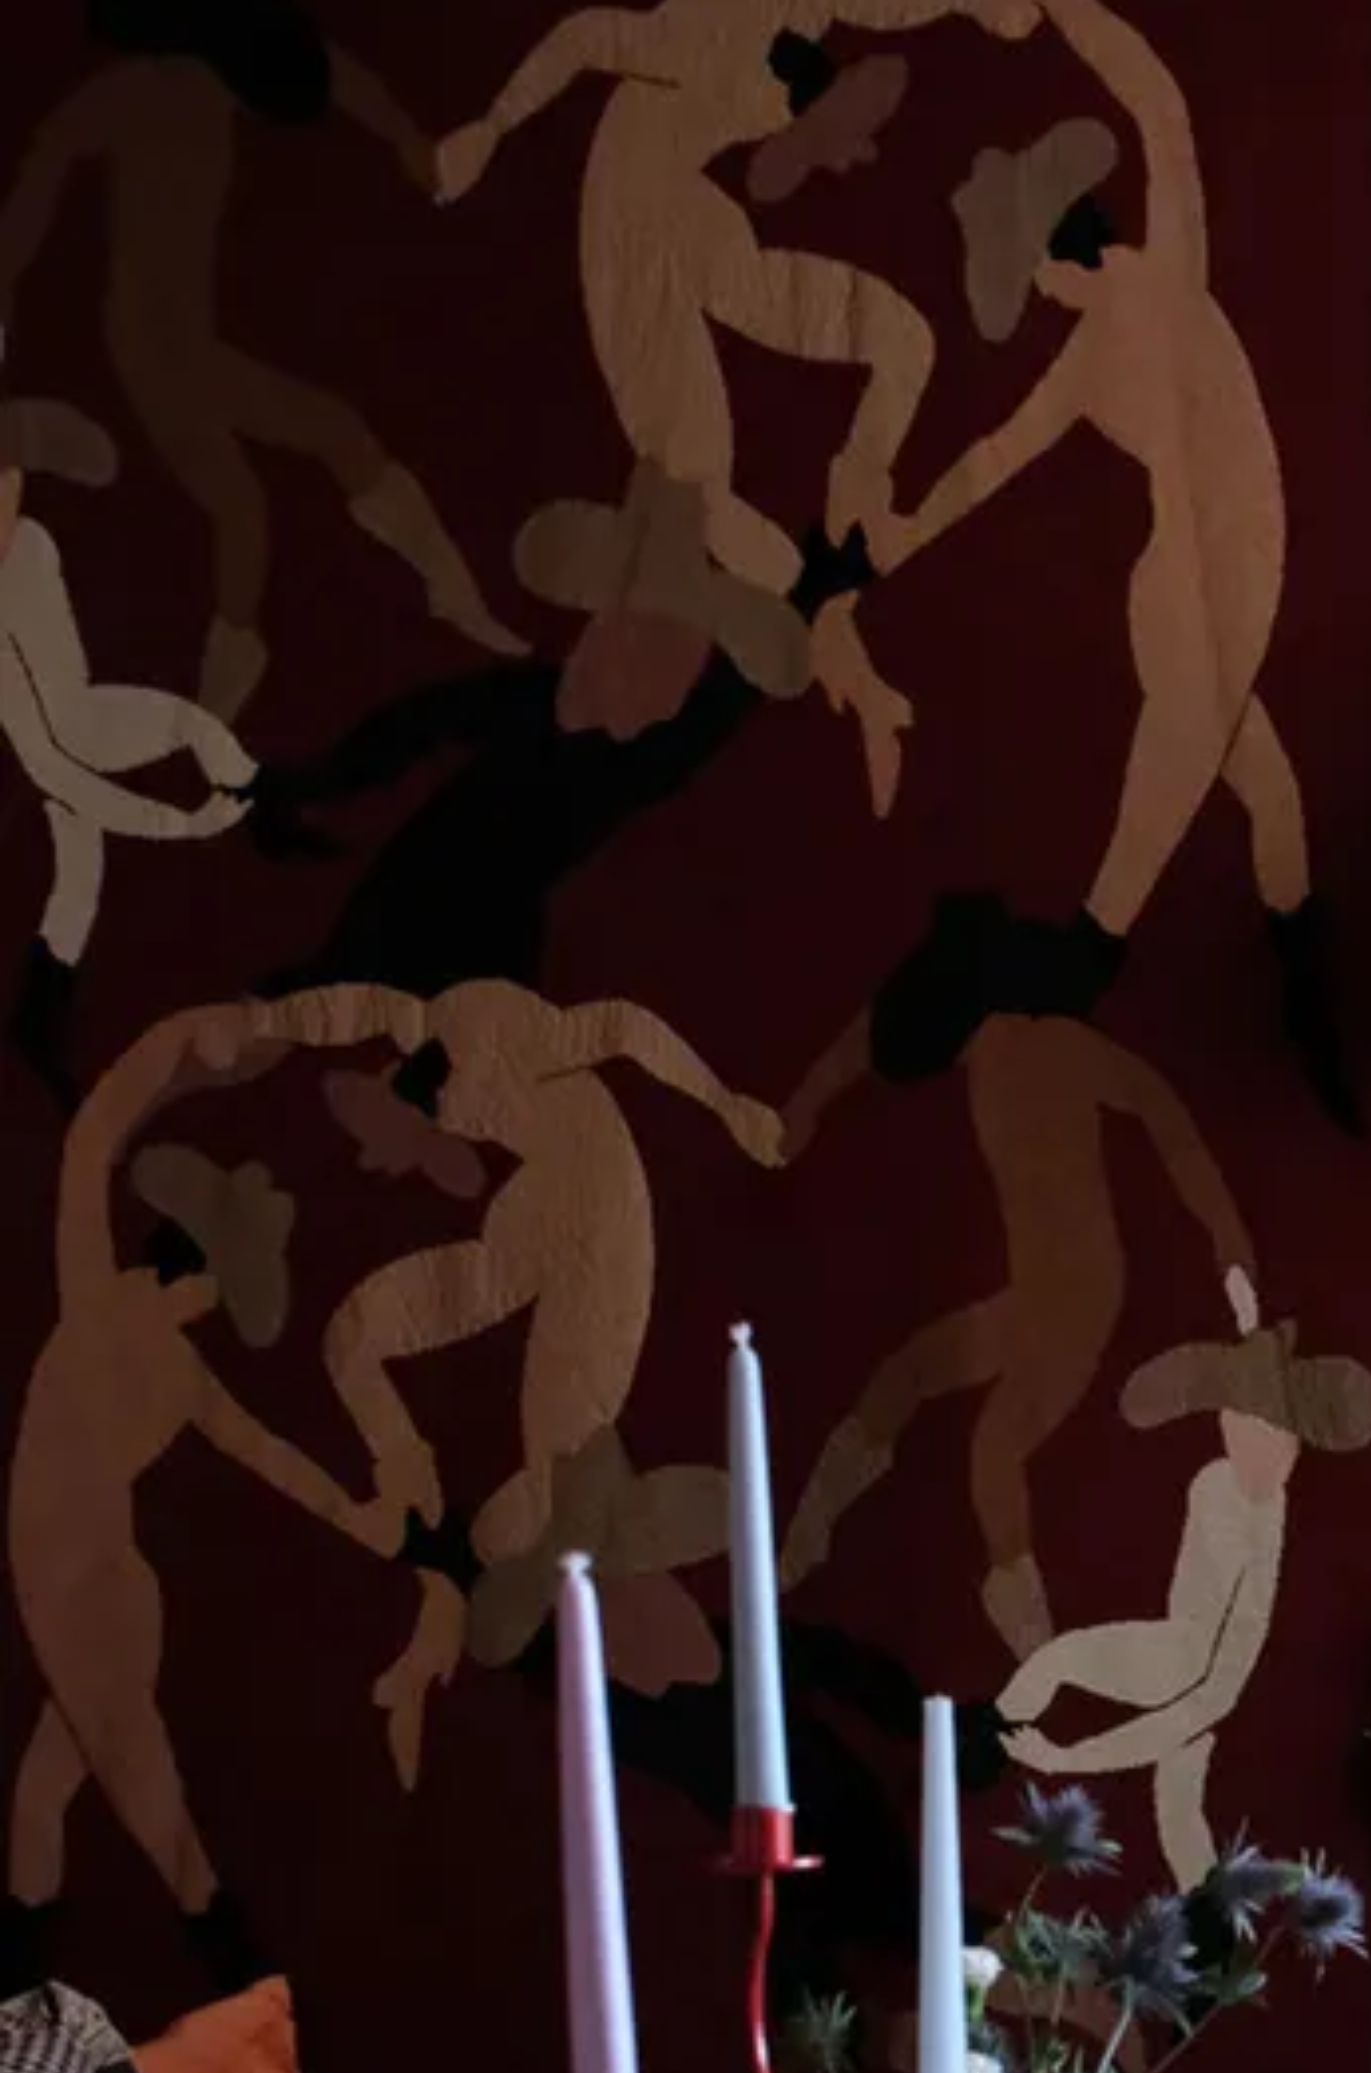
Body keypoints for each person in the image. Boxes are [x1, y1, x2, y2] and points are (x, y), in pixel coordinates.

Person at [866, 1, 1355, 1124]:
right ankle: (977, 951)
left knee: (1273, 813)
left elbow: (1159, 107)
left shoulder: (1151, 290)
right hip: (1196, 599)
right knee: (1113, 923)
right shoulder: (1126, 318)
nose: (1033, 298)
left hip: (1200, 595)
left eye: (1025, 274)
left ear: (1050, 250)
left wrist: (1062, 11)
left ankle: (1305, 1021)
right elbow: (993, 461)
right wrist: (896, 537)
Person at [433, 0, 1040, 811]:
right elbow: (592, 41)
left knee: (896, 345)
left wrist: (491, 126)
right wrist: (860, 687)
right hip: (663, 237)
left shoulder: (731, 38)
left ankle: (843, 485)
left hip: (664, 237)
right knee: (900, 345)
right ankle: (848, 485)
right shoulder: (725, 45)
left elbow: (588, 38)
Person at [5, 992, 400, 1980]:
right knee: (48, 1798)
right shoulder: (167, 1358)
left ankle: (237, 1972)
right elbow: (277, 1460)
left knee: (150, 1808)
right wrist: (362, 1519)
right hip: (91, 1584)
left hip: (80, 1583)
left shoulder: (106, 1312)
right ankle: (28, 2008)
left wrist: (166, 1058)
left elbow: (93, 1142)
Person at [310, 975, 784, 1781]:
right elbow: (324, 1015)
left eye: (367, 1133)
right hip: (539, 1224)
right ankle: (559, 1541)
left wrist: (727, 1103)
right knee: (358, 1340)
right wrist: (244, 1025)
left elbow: (623, 1024)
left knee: (549, 1456)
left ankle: (597, 1555)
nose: (368, 1160)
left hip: (599, 1220)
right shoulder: (415, 1037)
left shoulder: (490, 1032)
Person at [0, 0, 522, 721]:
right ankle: (435, 602)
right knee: (264, 492)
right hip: (155, 350)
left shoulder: (210, 83)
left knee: (258, 498)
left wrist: (406, 137)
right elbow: (44, 165)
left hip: (175, 342)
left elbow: (339, 76)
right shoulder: (139, 95)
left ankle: (439, 598)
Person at [246, 492, 871, 998]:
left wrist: (812, 591)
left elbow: (729, 697)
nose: (628, 662)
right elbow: (410, 727)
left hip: (487, 925)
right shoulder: (532, 698)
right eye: (624, 637)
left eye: (663, 660)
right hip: (428, 889)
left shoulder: (646, 752)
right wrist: (312, 783)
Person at [780, 1006, 1255, 1655]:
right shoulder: (973, 1041)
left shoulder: (1059, 1046)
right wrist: (806, 1102)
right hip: (1035, 1292)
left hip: (1082, 1292)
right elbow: (864, 1039)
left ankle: (1036, 1646)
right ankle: (810, 1535)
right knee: (907, 1374)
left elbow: (1165, 1115)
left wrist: (1229, 1243)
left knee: (993, 1449)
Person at [1000, 1317, 1371, 1885]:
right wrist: (1255, 1333)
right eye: (1237, 1426)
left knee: (1178, 1810)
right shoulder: (1212, 1484)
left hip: (1202, 1680)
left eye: (1268, 1439)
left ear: (1291, 1452)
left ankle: (1211, 1942)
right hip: (1179, 1651)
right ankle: (985, 1733)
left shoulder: (1260, 1540)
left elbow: (1201, 1697)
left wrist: (1066, 1757)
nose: (1247, 1448)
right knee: (1069, 1672)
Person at [0, 356, 253, 1103]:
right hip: (21, 586)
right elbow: (57, 767)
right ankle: (42, 1008)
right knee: (73, 812)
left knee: (72, 779)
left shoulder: (25, 550)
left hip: (24, 577)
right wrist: (181, 822)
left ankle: (41, 1010)